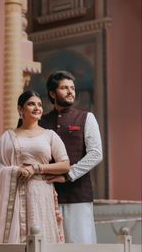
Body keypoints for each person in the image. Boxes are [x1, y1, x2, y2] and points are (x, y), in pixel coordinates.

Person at [0, 90, 70, 243]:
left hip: (41, 192)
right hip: (15, 192)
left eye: (39, 104)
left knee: (41, 235)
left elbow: (65, 165)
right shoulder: (8, 137)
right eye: (31, 104)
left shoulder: (49, 135)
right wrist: (15, 170)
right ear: (20, 110)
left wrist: (36, 168)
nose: (37, 108)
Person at [40, 71, 103, 244]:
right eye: (64, 88)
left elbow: (96, 154)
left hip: (78, 196)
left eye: (72, 88)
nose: (70, 91)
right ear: (52, 93)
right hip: (46, 196)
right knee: (49, 245)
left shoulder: (86, 118)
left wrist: (68, 175)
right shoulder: (41, 122)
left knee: (80, 244)